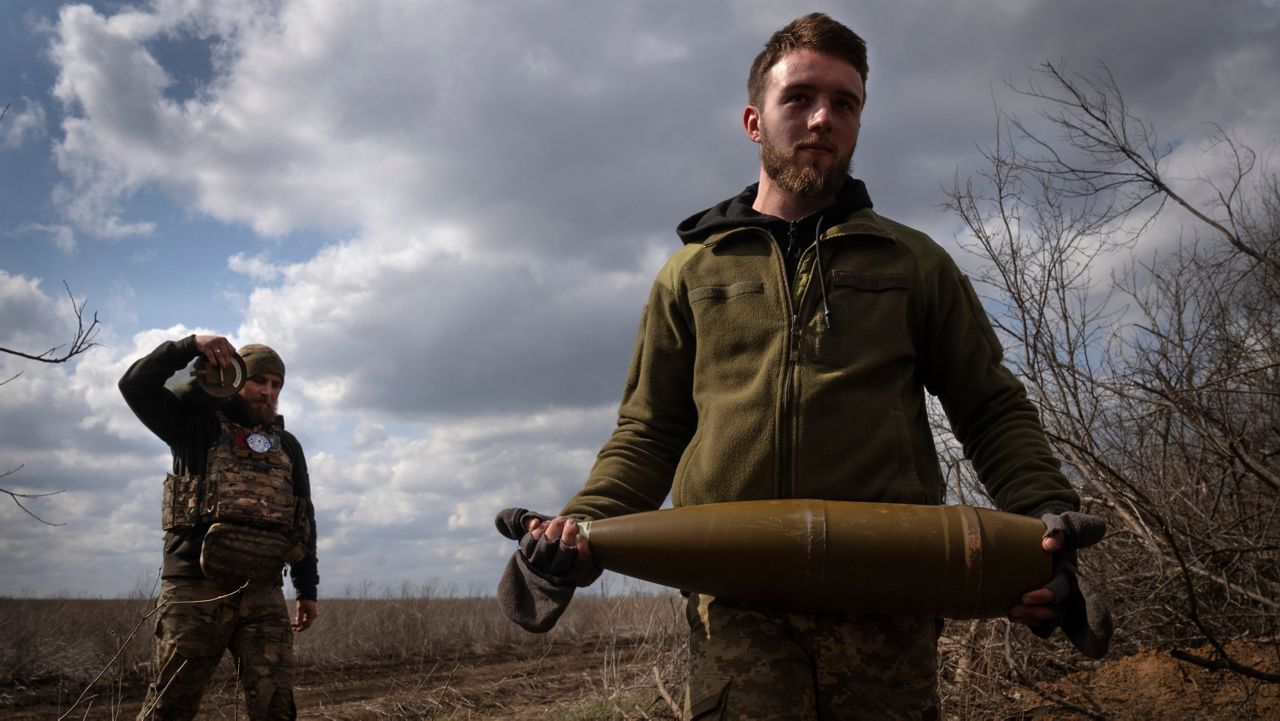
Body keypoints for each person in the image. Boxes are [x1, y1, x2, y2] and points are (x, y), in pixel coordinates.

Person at [502, 13, 1109, 720]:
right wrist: (579, 529)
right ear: (755, 121)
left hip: (887, 600)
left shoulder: (914, 265)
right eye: (800, 98)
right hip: (737, 609)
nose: (822, 118)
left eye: (844, 103)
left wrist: (1041, 516)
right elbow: (648, 431)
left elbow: (989, 406)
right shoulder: (690, 274)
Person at [120, 335, 318, 720]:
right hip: (196, 590)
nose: (268, 391)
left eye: (276, 384)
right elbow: (134, 385)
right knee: (170, 707)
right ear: (236, 376)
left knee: (276, 707)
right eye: (260, 380)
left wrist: (306, 587)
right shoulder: (193, 424)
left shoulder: (287, 445)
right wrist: (192, 345)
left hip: (262, 591)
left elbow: (302, 518)